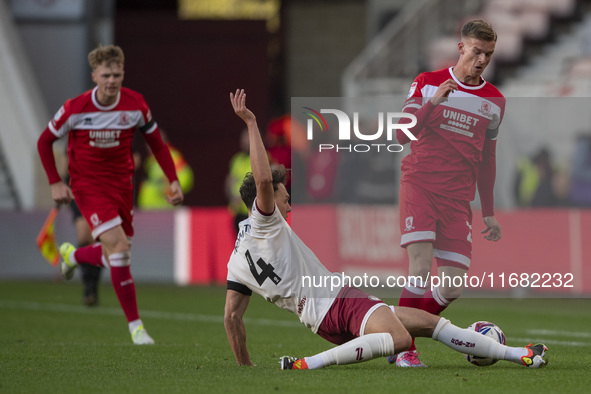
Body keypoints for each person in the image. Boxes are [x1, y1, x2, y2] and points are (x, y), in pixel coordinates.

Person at [224, 89, 546, 370]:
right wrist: (251, 123)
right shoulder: (264, 221)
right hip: (335, 302)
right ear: (262, 202)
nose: (288, 207)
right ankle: (306, 364)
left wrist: (245, 365)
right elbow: (265, 180)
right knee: (400, 339)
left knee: (427, 323)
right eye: (284, 199)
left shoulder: (237, 259)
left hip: (320, 315)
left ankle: (518, 355)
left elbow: (232, 317)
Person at [37, 44, 183, 344]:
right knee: (119, 249)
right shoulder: (75, 108)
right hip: (87, 186)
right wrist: (55, 181)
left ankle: (73, 255)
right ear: (95, 75)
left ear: (123, 73)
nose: (112, 80)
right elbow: (44, 141)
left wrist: (173, 179)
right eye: (106, 75)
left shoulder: (135, 104)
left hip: (121, 186)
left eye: (117, 74)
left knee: (115, 252)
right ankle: (136, 327)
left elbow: (156, 144)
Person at [392, 19, 506, 367]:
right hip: (421, 185)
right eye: (476, 51)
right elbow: (402, 136)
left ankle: (396, 328)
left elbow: (487, 159)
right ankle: (404, 349)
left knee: (453, 285)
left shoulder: (495, 101)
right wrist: (433, 103)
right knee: (420, 269)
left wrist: (487, 210)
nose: (482, 59)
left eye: (488, 54)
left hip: (459, 199)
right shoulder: (427, 83)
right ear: (461, 48)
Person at [137, 130, 194, 210]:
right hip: (149, 209)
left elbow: (186, 176)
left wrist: (169, 188)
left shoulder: (172, 156)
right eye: (148, 142)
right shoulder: (150, 160)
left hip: (165, 208)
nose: (148, 146)